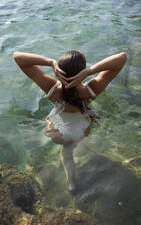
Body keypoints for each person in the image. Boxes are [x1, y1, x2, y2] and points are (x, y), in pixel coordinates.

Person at [13, 50, 126, 192]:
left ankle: (71, 181)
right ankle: (72, 182)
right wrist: (90, 71)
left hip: (55, 132)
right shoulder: (91, 90)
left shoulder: (52, 88)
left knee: (61, 140)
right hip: (80, 131)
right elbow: (121, 58)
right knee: (70, 148)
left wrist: (50, 62)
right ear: (82, 71)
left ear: (59, 71)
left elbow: (18, 57)